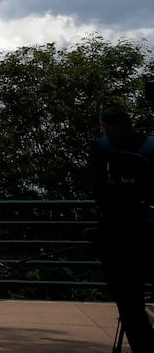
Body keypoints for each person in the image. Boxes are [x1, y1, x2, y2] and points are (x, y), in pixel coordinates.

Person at [88, 104, 154, 351]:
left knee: (129, 303)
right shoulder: (150, 146)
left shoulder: (102, 147)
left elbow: (97, 189)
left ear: (104, 125)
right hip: (149, 229)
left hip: (116, 235)